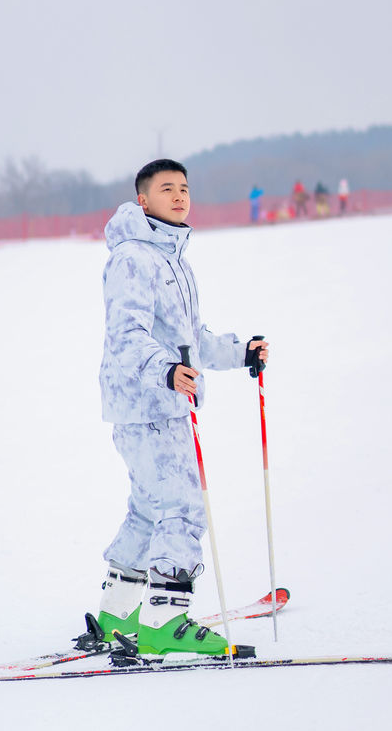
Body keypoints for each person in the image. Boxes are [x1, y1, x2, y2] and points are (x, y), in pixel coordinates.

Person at [96, 159, 269, 658]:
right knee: (182, 508)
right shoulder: (133, 257)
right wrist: (167, 371)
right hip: (149, 403)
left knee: (151, 508)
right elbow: (127, 336)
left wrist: (240, 353)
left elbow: (190, 341)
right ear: (143, 200)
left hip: (154, 402)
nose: (179, 196)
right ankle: (164, 621)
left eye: (185, 189)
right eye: (166, 188)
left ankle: (119, 610)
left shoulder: (173, 259)